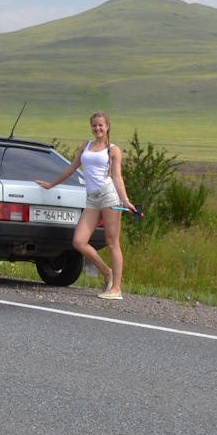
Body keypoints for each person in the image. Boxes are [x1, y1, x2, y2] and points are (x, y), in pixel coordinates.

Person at [40, 111, 128, 300]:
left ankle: (116, 288)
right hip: (92, 198)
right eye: (94, 125)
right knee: (78, 241)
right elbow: (72, 168)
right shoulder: (86, 146)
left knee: (112, 242)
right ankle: (107, 272)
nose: (97, 128)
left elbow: (117, 177)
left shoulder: (113, 149)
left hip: (108, 196)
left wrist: (126, 200)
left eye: (101, 125)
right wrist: (52, 184)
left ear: (107, 127)